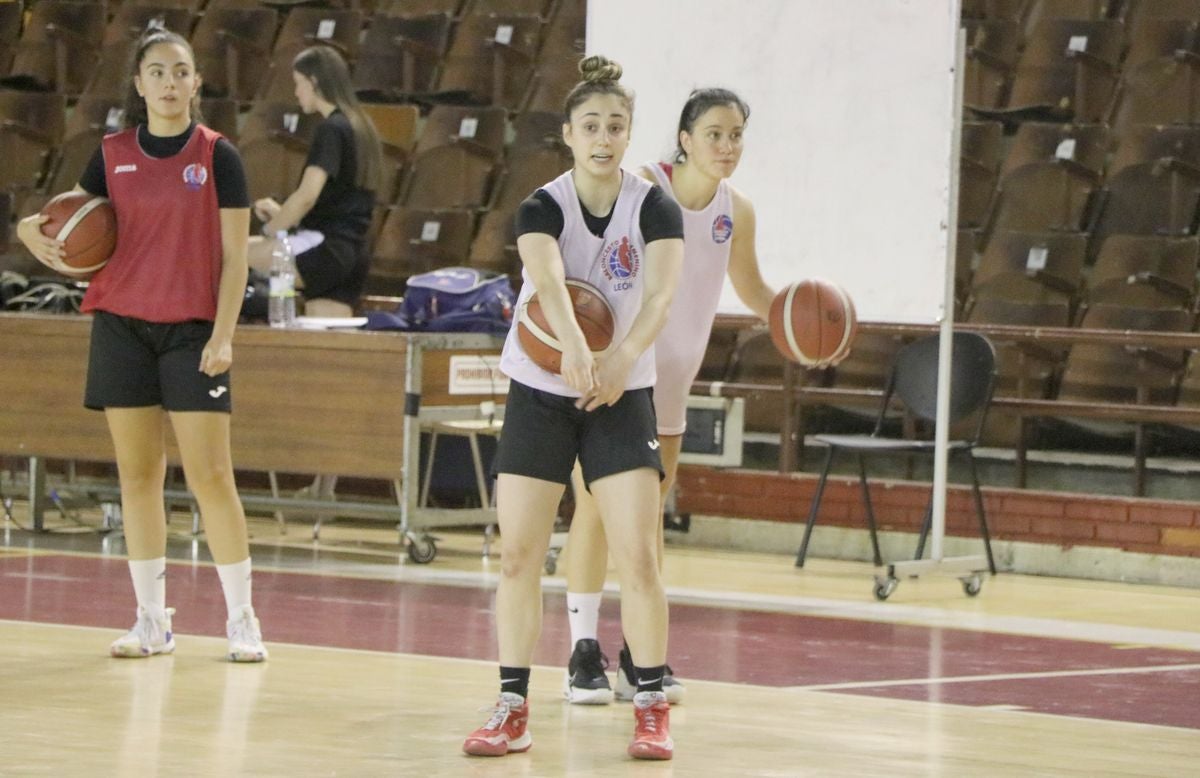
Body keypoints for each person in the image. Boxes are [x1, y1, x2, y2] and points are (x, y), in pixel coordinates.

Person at [16, 24, 267, 663]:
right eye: (157, 71)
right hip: (121, 324)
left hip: (192, 332)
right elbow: (68, 219)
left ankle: (243, 617)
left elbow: (236, 259)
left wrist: (224, 335)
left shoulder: (219, 156)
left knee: (212, 475)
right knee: (137, 475)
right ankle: (152, 619)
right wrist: (26, 228)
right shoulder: (111, 153)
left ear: (195, 82)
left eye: (180, 71)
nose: (169, 82)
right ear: (138, 83)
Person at [461, 55, 684, 761]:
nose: (604, 136)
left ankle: (650, 707)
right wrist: (573, 347)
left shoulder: (652, 204)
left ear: (628, 134)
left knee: (638, 557)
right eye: (591, 124)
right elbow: (549, 279)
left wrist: (618, 361)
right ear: (568, 133)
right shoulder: (541, 205)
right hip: (542, 387)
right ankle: (512, 706)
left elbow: (660, 298)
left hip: (621, 394)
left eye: (616, 125)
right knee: (520, 554)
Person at [561, 89, 778, 705]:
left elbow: (754, 289)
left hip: (674, 385)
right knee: (598, 513)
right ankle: (582, 650)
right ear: (683, 140)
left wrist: (801, 328)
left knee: (647, 520)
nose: (727, 146)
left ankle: (639, 652)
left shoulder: (737, 212)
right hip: (620, 378)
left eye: (736, 134)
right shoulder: (636, 191)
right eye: (714, 133)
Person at [246, 44, 383, 318]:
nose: (296, 93)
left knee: (228, 252)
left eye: (299, 83)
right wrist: (287, 216)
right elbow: (340, 199)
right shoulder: (363, 127)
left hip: (323, 249)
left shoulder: (331, 129)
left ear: (314, 81)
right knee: (327, 347)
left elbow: (307, 196)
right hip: (353, 253)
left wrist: (272, 229)